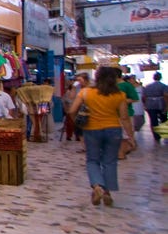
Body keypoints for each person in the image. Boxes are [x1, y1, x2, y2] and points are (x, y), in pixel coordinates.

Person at [68, 66, 135, 207]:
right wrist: (130, 137)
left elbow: (72, 110)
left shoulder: (86, 93)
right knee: (110, 162)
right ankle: (107, 191)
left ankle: (97, 186)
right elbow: (124, 117)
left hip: (91, 129)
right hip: (113, 130)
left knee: (92, 160)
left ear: (97, 77)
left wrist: (78, 124)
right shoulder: (119, 95)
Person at [116, 70, 140, 159]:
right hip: (114, 114)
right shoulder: (111, 86)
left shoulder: (127, 85)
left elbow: (135, 98)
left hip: (127, 112)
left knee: (125, 133)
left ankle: (125, 150)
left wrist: (121, 101)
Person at [142, 72, 167, 142]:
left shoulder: (147, 86)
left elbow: (144, 97)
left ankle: (156, 136)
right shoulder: (164, 86)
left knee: (153, 120)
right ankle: (164, 134)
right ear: (160, 77)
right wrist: (166, 105)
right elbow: (165, 96)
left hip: (150, 104)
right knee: (163, 119)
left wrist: (145, 105)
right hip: (161, 104)